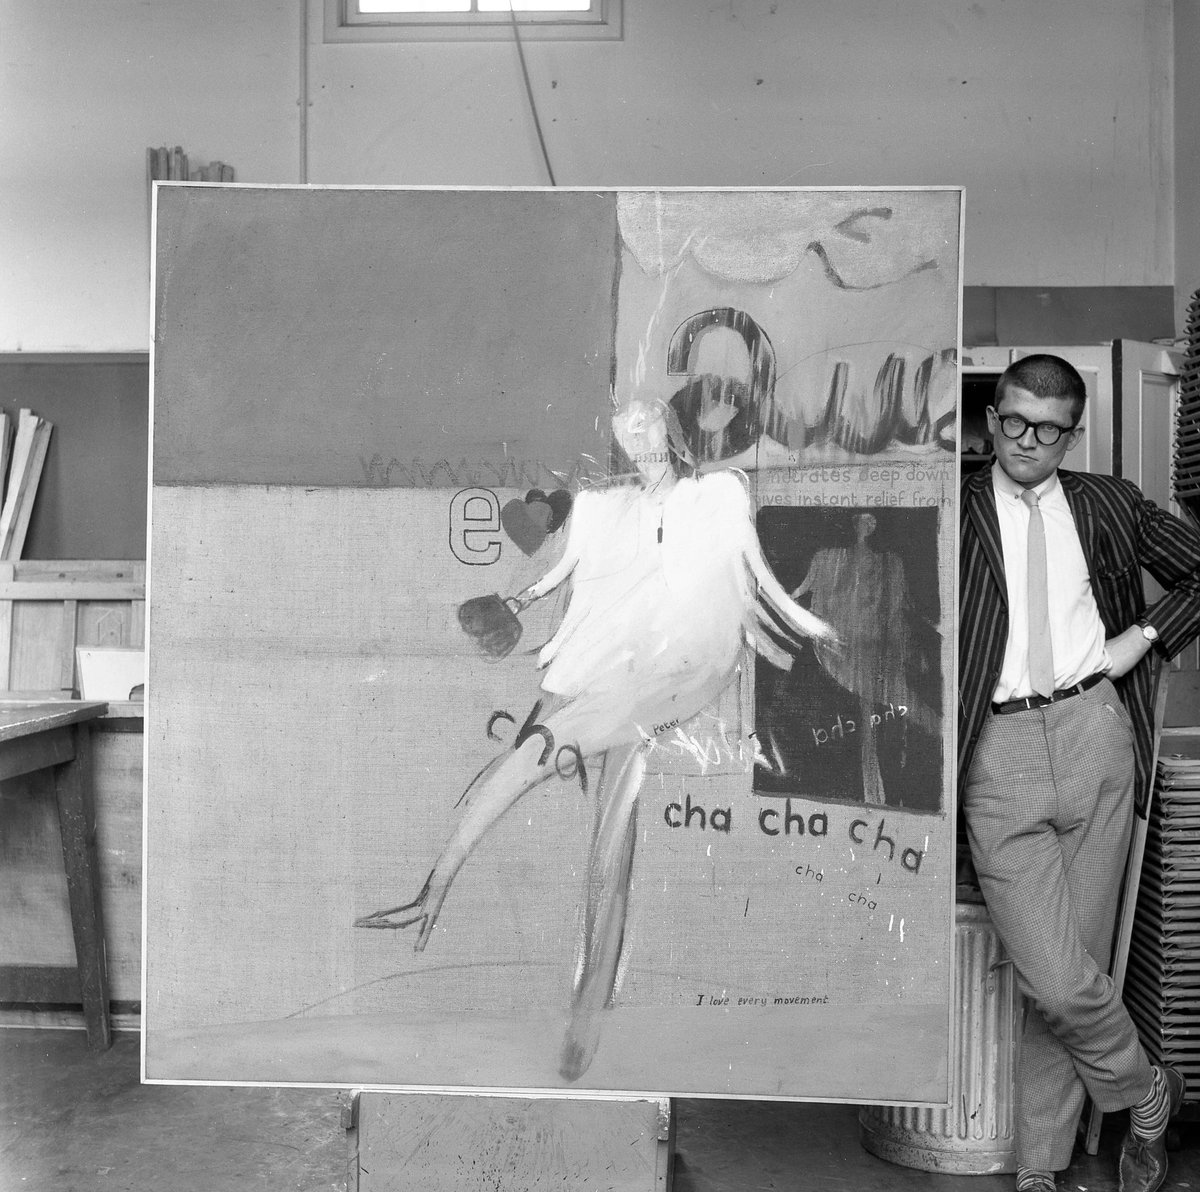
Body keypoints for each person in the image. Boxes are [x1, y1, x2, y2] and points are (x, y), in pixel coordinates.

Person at [356, 397, 838, 1083]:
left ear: (671, 429)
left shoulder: (717, 495)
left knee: (540, 758)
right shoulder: (606, 510)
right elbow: (565, 578)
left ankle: (440, 891)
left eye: (645, 419)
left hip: (683, 670)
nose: (633, 430)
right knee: (609, 841)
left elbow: (741, 582)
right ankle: (573, 1004)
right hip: (620, 675)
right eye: (624, 423)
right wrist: (516, 606)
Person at [959, 354, 1199, 1192]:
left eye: (1050, 429)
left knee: (1077, 965)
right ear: (992, 419)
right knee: (1055, 975)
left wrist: (1139, 643)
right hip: (997, 748)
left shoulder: (1107, 503)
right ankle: (1146, 1090)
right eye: (1016, 422)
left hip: (1096, 730)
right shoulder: (951, 504)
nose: (1029, 441)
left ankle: (1039, 1168)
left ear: (1073, 433)